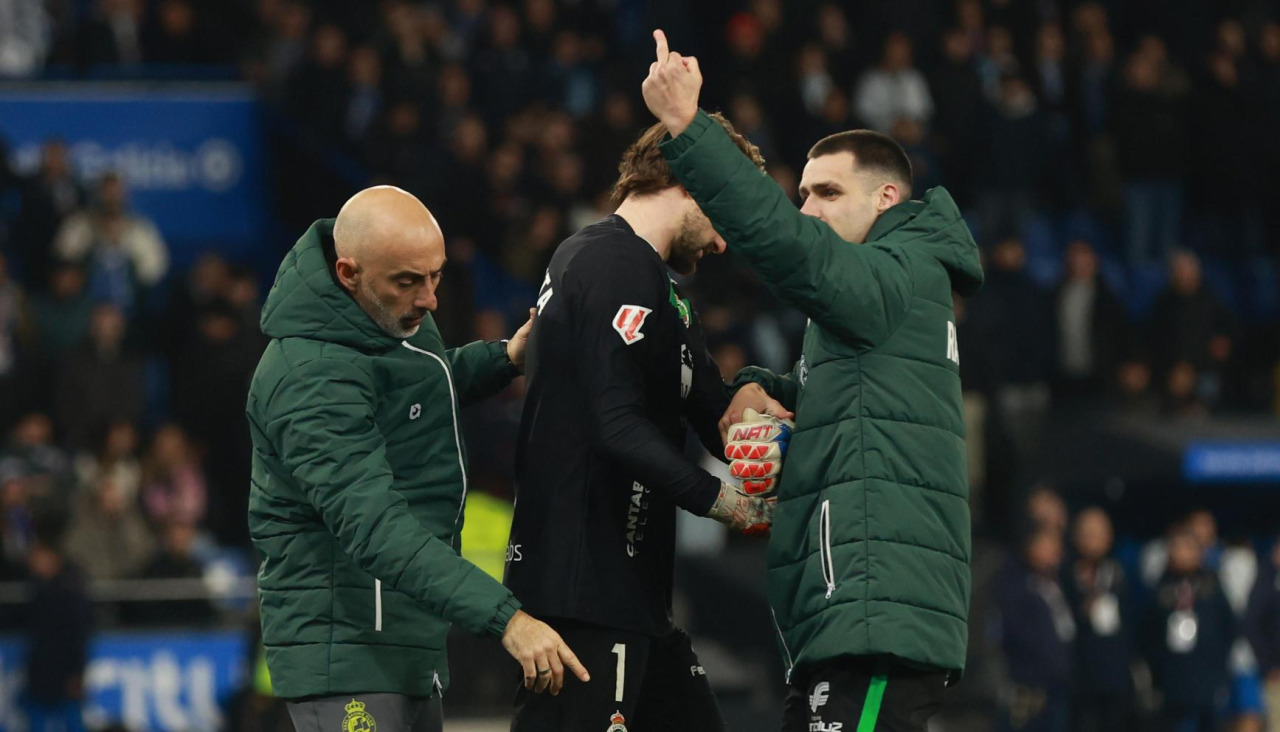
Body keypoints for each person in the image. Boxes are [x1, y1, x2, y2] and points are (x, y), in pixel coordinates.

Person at [642, 30, 983, 732]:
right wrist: (765, 387)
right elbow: (838, 389)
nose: (808, 211)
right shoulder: (876, 299)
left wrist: (690, 130)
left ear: (886, 197)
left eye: (827, 192)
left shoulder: (906, 273)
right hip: (847, 616)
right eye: (801, 194)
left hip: (875, 614)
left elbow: (797, 255)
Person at [246, 186, 588, 732]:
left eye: (436, 276)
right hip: (347, 653)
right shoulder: (308, 375)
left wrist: (505, 358)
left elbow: (416, 386)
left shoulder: (381, 317)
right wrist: (508, 620)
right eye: (408, 281)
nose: (429, 299)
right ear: (347, 273)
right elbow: (375, 527)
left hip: (404, 637)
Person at [504, 114, 778, 732]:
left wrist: (752, 414)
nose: (723, 244)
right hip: (584, 599)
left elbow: (708, 405)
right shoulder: (607, 262)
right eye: (724, 216)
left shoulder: (661, 286)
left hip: (634, 599)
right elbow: (616, 424)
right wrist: (725, 503)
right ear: (690, 180)